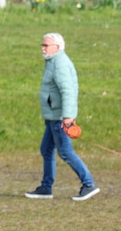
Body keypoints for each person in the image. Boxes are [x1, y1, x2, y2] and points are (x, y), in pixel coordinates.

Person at [25, 33, 100, 201]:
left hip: (59, 117)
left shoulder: (59, 64)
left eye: (46, 46)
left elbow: (68, 91)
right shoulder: (53, 62)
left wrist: (67, 117)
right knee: (46, 149)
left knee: (65, 152)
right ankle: (46, 188)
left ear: (57, 47)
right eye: (42, 45)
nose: (43, 48)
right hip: (53, 116)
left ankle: (88, 184)